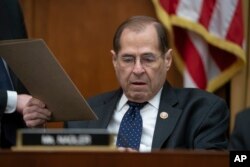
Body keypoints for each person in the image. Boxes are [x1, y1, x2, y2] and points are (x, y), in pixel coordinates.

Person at [65, 15, 229, 152]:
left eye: (148, 59)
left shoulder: (202, 111)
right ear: (115, 61)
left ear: (167, 60)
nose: (137, 69)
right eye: (128, 59)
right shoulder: (84, 114)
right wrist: (38, 129)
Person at [0, 0, 51, 148]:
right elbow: (18, 100)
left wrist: (34, 114)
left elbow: (21, 70)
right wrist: (13, 101)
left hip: (15, 148)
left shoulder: (9, 6)